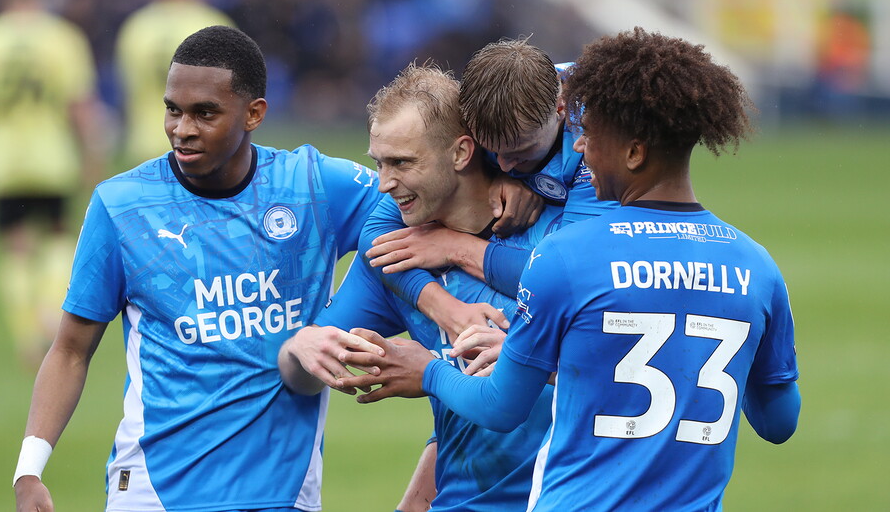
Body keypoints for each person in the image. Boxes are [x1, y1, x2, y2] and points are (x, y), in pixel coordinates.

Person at [338, 28, 802, 511]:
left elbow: (500, 406)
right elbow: (778, 423)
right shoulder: (756, 266)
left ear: (634, 153)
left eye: (591, 137)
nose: (577, 150)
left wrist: (429, 370)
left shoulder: (566, 258)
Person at [12, 25, 382, 512]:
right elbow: (71, 350)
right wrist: (29, 470)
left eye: (204, 113)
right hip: (153, 491)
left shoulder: (312, 187)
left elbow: (412, 207)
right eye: (172, 109)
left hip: (283, 494)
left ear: (254, 114)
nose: (182, 129)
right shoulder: (122, 206)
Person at [279, 62, 560, 511]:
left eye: (402, 163)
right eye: (379, 163)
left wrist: (435, 368)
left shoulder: (555, 227)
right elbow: (302, 378)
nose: (385, 183)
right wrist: (301, 347)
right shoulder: (395, 259)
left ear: (462, 153)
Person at [359, 38, 617, 338]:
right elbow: (376, 233)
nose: (505, 165)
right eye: (492, 151)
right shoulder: (484, 106)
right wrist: (440, 305)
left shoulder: (601, 140)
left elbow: (573, 278)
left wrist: (456, 247)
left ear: (560, 108)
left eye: (521, 151)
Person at [0, 0, 104, 370]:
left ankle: (24, 335)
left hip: (2, 159)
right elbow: (79, 105)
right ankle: (50, 314)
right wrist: (92, 153)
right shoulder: (62, 38)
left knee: (15, 245)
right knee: (57, 235)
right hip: (51, 156)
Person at [115, 0, 234, 167]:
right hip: (200, 141)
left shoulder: (137, 26)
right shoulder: (212, 22)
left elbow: (129, 87)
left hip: (147, 142)